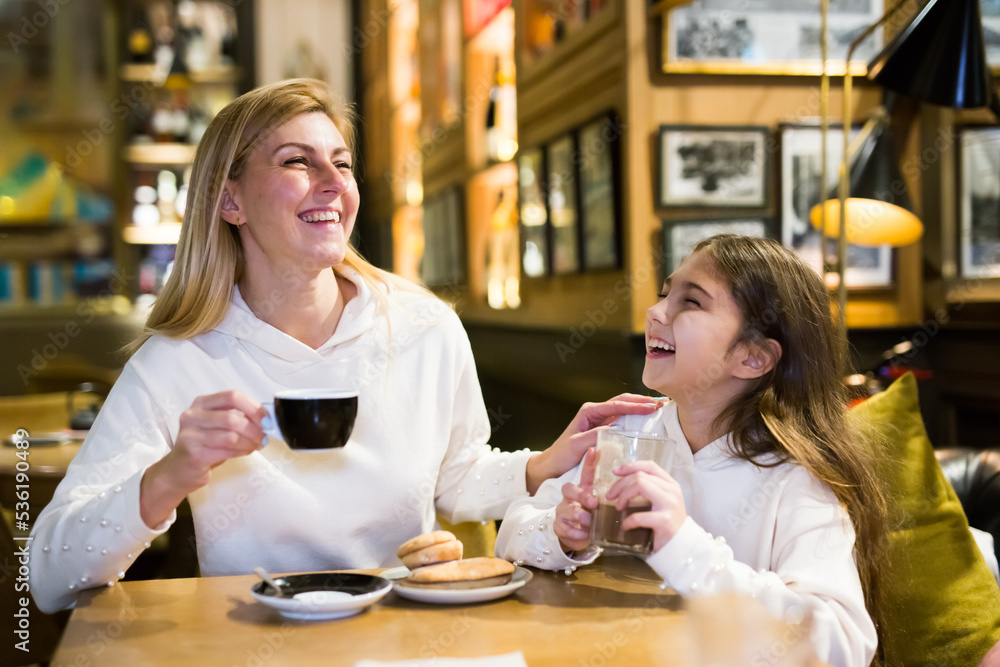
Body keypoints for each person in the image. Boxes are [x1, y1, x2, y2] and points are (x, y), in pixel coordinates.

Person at [28, 78, 659, 613]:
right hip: (257, 641)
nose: (333, 182)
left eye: (343, 162)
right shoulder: (179, 360)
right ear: (229, 199)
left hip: (408, 633)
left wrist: (541, 463)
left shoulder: (423, 326)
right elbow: (48, 576)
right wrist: (169, 476)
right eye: (297, 162)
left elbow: (457, 477)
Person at [496, 234, 888, 667]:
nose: (654, 311)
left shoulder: (797, 476)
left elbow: (844, 643)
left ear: (753, 358)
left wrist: (683, 544)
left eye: (691, 302)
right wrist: (561, 532)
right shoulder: (626, 430)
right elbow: (511, 530)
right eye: (665, 293)